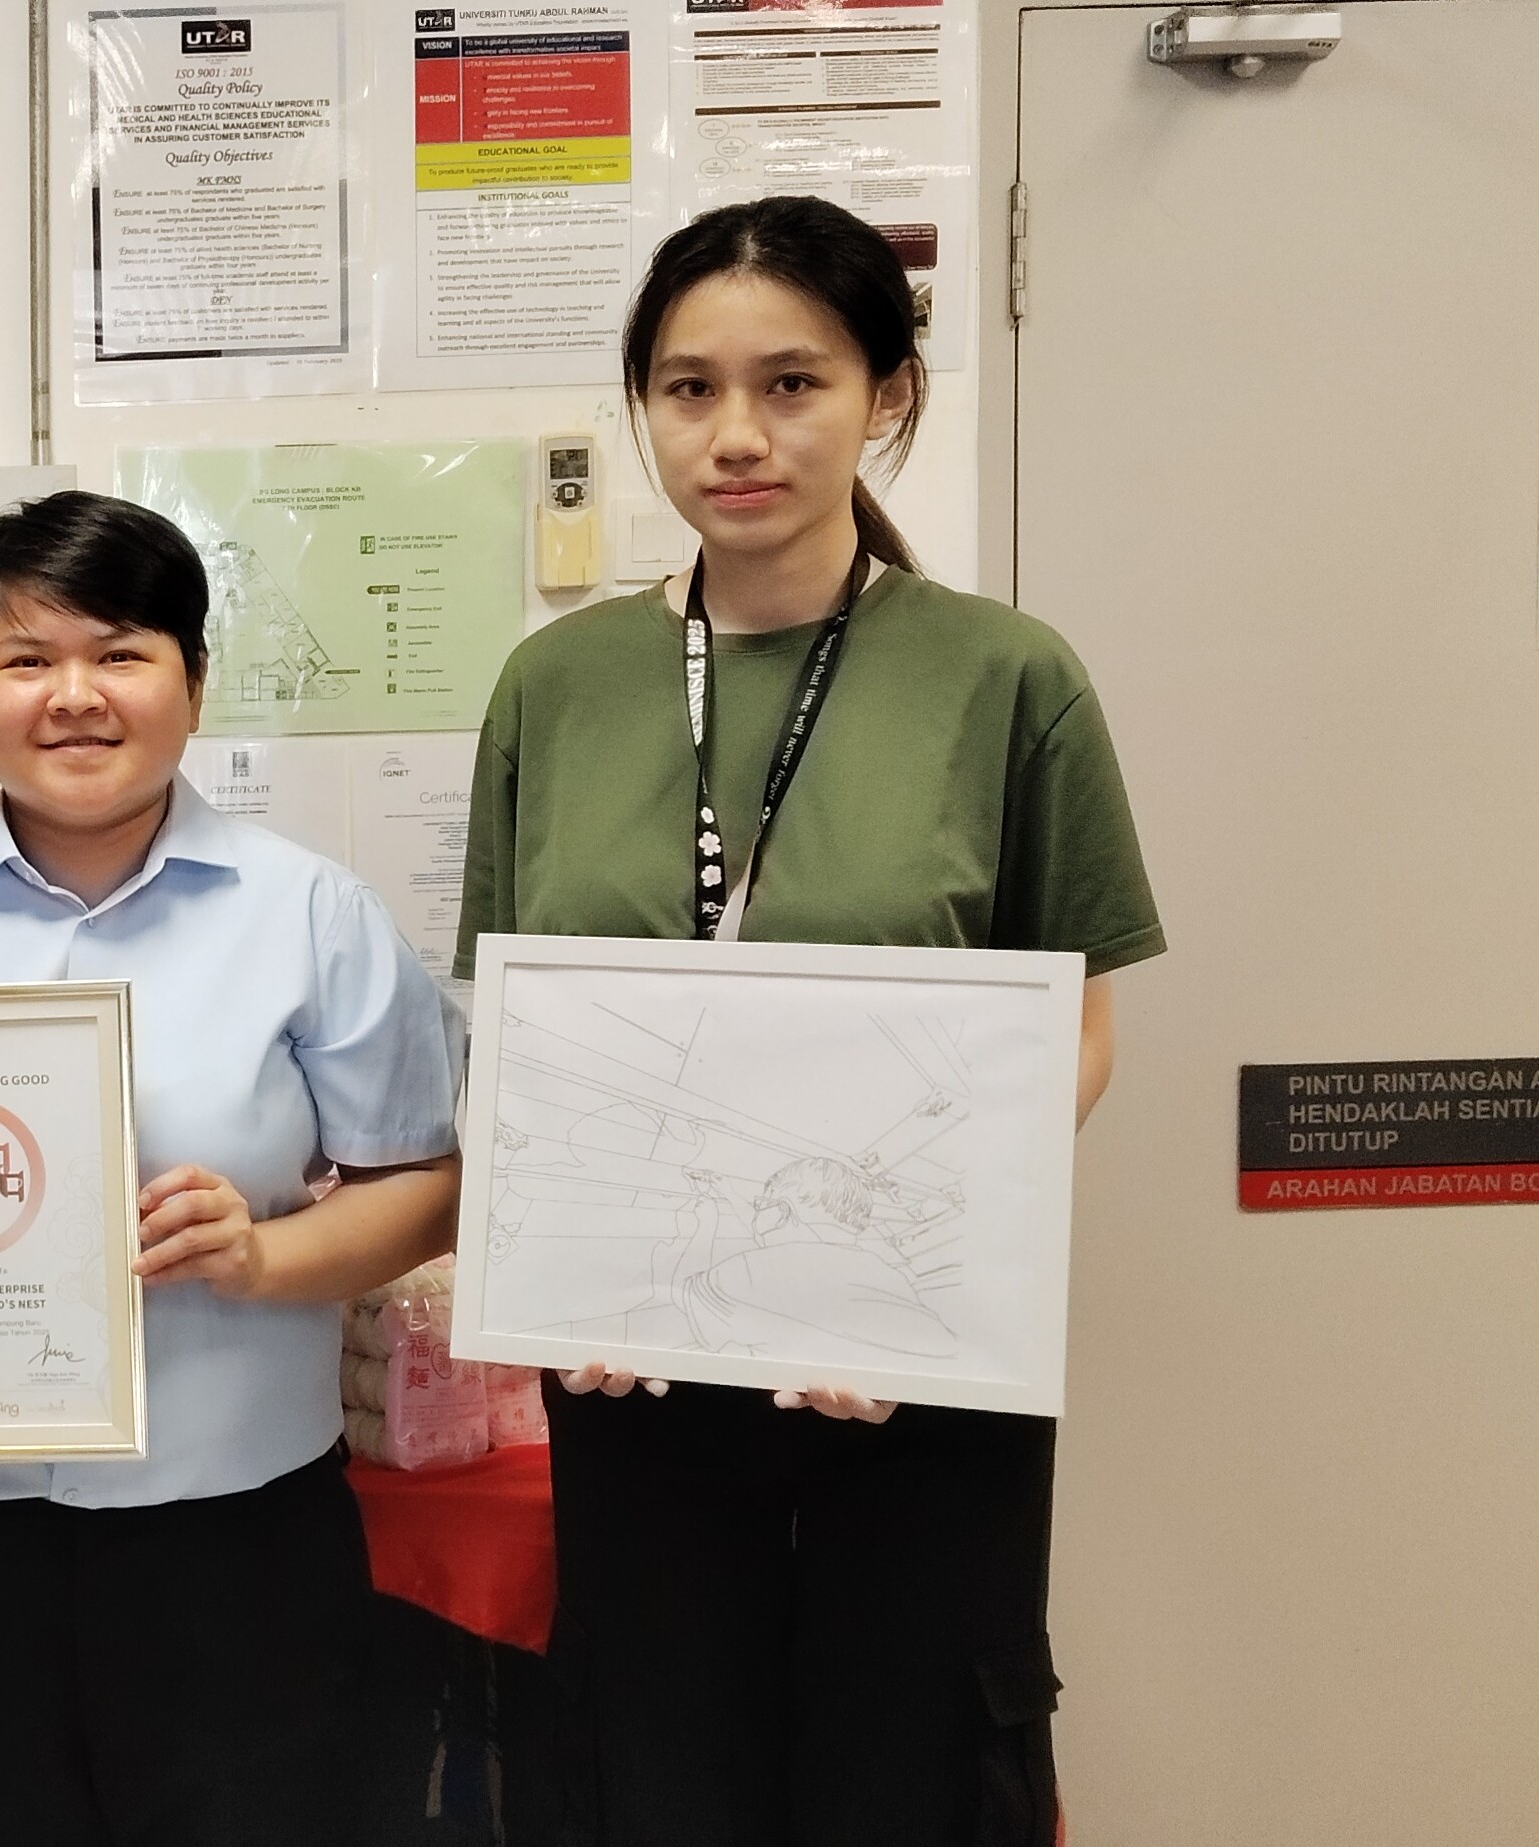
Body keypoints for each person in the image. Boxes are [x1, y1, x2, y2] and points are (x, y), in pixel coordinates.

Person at [456, 196, 1165, 1847]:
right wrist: (562, 1252)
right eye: (689, 389)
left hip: (913, 1363)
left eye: (794, 383)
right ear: (643, 406)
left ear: (888, 395)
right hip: (632, 1366)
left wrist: (909, 1263)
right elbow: (518, 1031)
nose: (739, 435)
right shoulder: (555, 686)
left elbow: (1078, 1024)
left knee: (905, 1774)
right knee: (655, 1772)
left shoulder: (1006, 677)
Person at [0, 491, 463, 1847]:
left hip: (232, 1544)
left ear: (194, 684)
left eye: (122, 652)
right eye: (25, 661)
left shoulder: (313, 914)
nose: (74, 695)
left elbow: (420, 1187)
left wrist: (262, 1256)